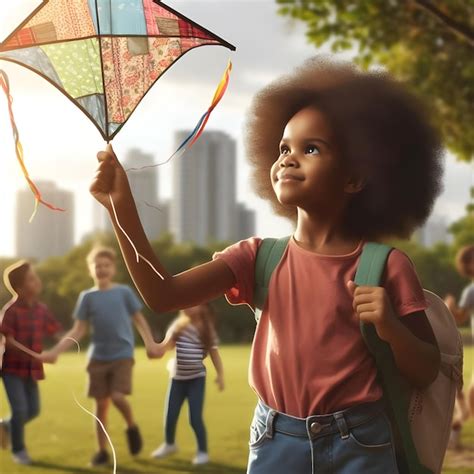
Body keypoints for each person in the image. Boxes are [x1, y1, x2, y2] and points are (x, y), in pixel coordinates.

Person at [90, 57, 442, 473]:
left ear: (355, 177)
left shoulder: (388, 266)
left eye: (311, 149)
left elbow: (426, 370)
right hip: (277, 442)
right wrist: (120, 208)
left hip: (361, 444)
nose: (288, 159)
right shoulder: (256, 257)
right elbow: (163, 295)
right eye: (284, 148)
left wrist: (391, 328)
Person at [40, 246, 156, 466]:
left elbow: (139, 319)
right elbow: (78, 330)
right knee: (100, 407)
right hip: (97, 358)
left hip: (122, 354)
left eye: (106, 265)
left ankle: (131, 426)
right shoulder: (87, 297)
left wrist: (150, 342)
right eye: (97, 266)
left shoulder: (124, 292)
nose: (102, 269)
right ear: (90, 270)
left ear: (113, 269)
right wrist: (55, 352)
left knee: (117, 397)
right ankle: (101, 451)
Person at [0, 260, 62, 465]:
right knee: (20, 410)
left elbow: (56, 332)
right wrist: (36, 356)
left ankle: (5, 427)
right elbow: (9, 342)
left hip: (32, 370)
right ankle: (19, 451)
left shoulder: (41, 309)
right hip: (11, 369)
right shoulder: (10, 311)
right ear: (20, 288)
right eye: (32, 279)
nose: (37, 281)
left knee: (33, 410)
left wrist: (72, 336)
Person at [147, 303, 224, 465]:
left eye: (193, 304)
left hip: (196, 379)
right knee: (170, 415)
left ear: (203, 307)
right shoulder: (178, 326)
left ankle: (203, 452)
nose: (188, 307)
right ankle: (169, 444)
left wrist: (220, 375)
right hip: (177, 380)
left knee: (195, 418)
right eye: (186, 304)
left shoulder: (206, 328)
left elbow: (214, 352)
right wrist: (155, 350)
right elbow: (165, 347)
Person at [445, 244, 474, 449]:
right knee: (471, 398)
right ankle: (455, 430)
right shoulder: (471, 290)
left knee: (471, 397)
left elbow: (458, 316)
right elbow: (460, 317)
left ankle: (455, 430)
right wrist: (450, 307)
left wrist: (450, 307)